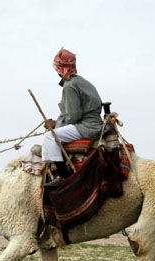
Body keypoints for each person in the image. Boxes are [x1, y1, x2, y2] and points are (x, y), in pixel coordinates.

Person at [42, 48, 104, 178]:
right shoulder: (82, 81)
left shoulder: (69, 85)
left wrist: (56, 125)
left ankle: (64, 175)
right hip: (94, 123)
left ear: (59, 68)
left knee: (49, 137)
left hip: (86, 127)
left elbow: (74, 116)